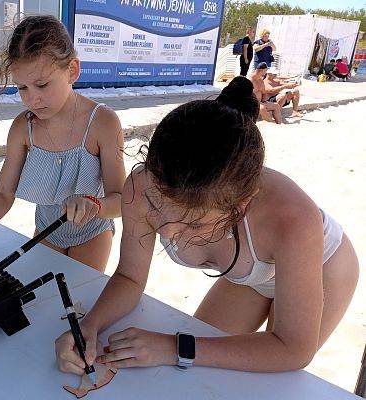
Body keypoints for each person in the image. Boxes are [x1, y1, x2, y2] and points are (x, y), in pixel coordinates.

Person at [55, 76, 358, 375]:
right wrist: (89, 326)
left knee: (262, 379)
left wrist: (174, 347)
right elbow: (130, 277)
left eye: (193, 224)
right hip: (250, 273)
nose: (167, 233)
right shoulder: (141, 185)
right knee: (201, 374)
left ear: (238, 208)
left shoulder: (293, 219)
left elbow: (293, 349)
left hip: (324, 266)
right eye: (160, 208)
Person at [0, 15, 126, 272]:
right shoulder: (24, 128)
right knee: (44, 299)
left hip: (93, 232)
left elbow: (121, 200)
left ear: (72, 71)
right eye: (22, 88)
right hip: (46, 231)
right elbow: (2, 193)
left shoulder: (103, 123)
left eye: (42, 85)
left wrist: (95, 204)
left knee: (77, 300)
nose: (32, 100)